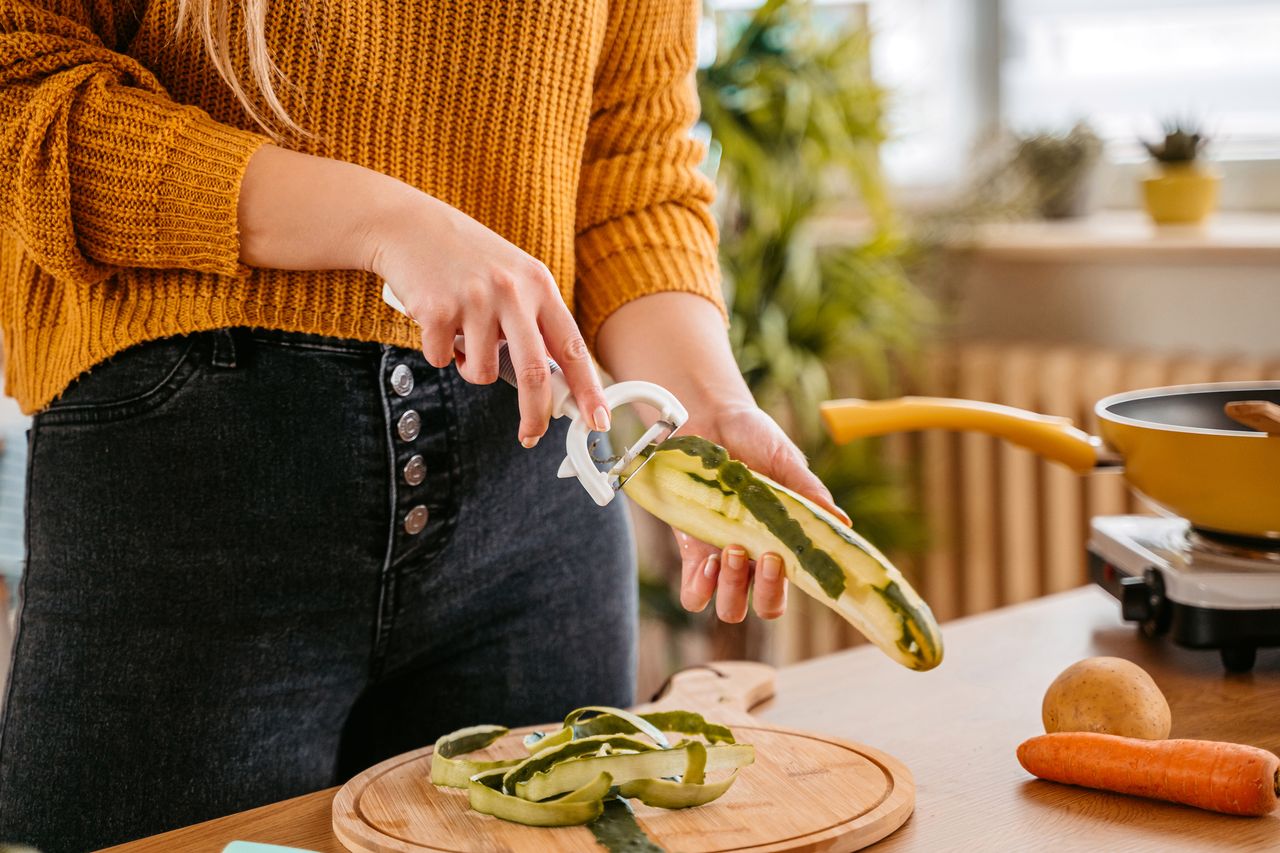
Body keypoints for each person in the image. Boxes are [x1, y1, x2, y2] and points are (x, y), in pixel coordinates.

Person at [0, 1, 847, 849]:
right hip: (191, 494)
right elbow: (20, 95)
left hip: (532, 506)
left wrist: (707, 403)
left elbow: (632, 167)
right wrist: (386, 223)